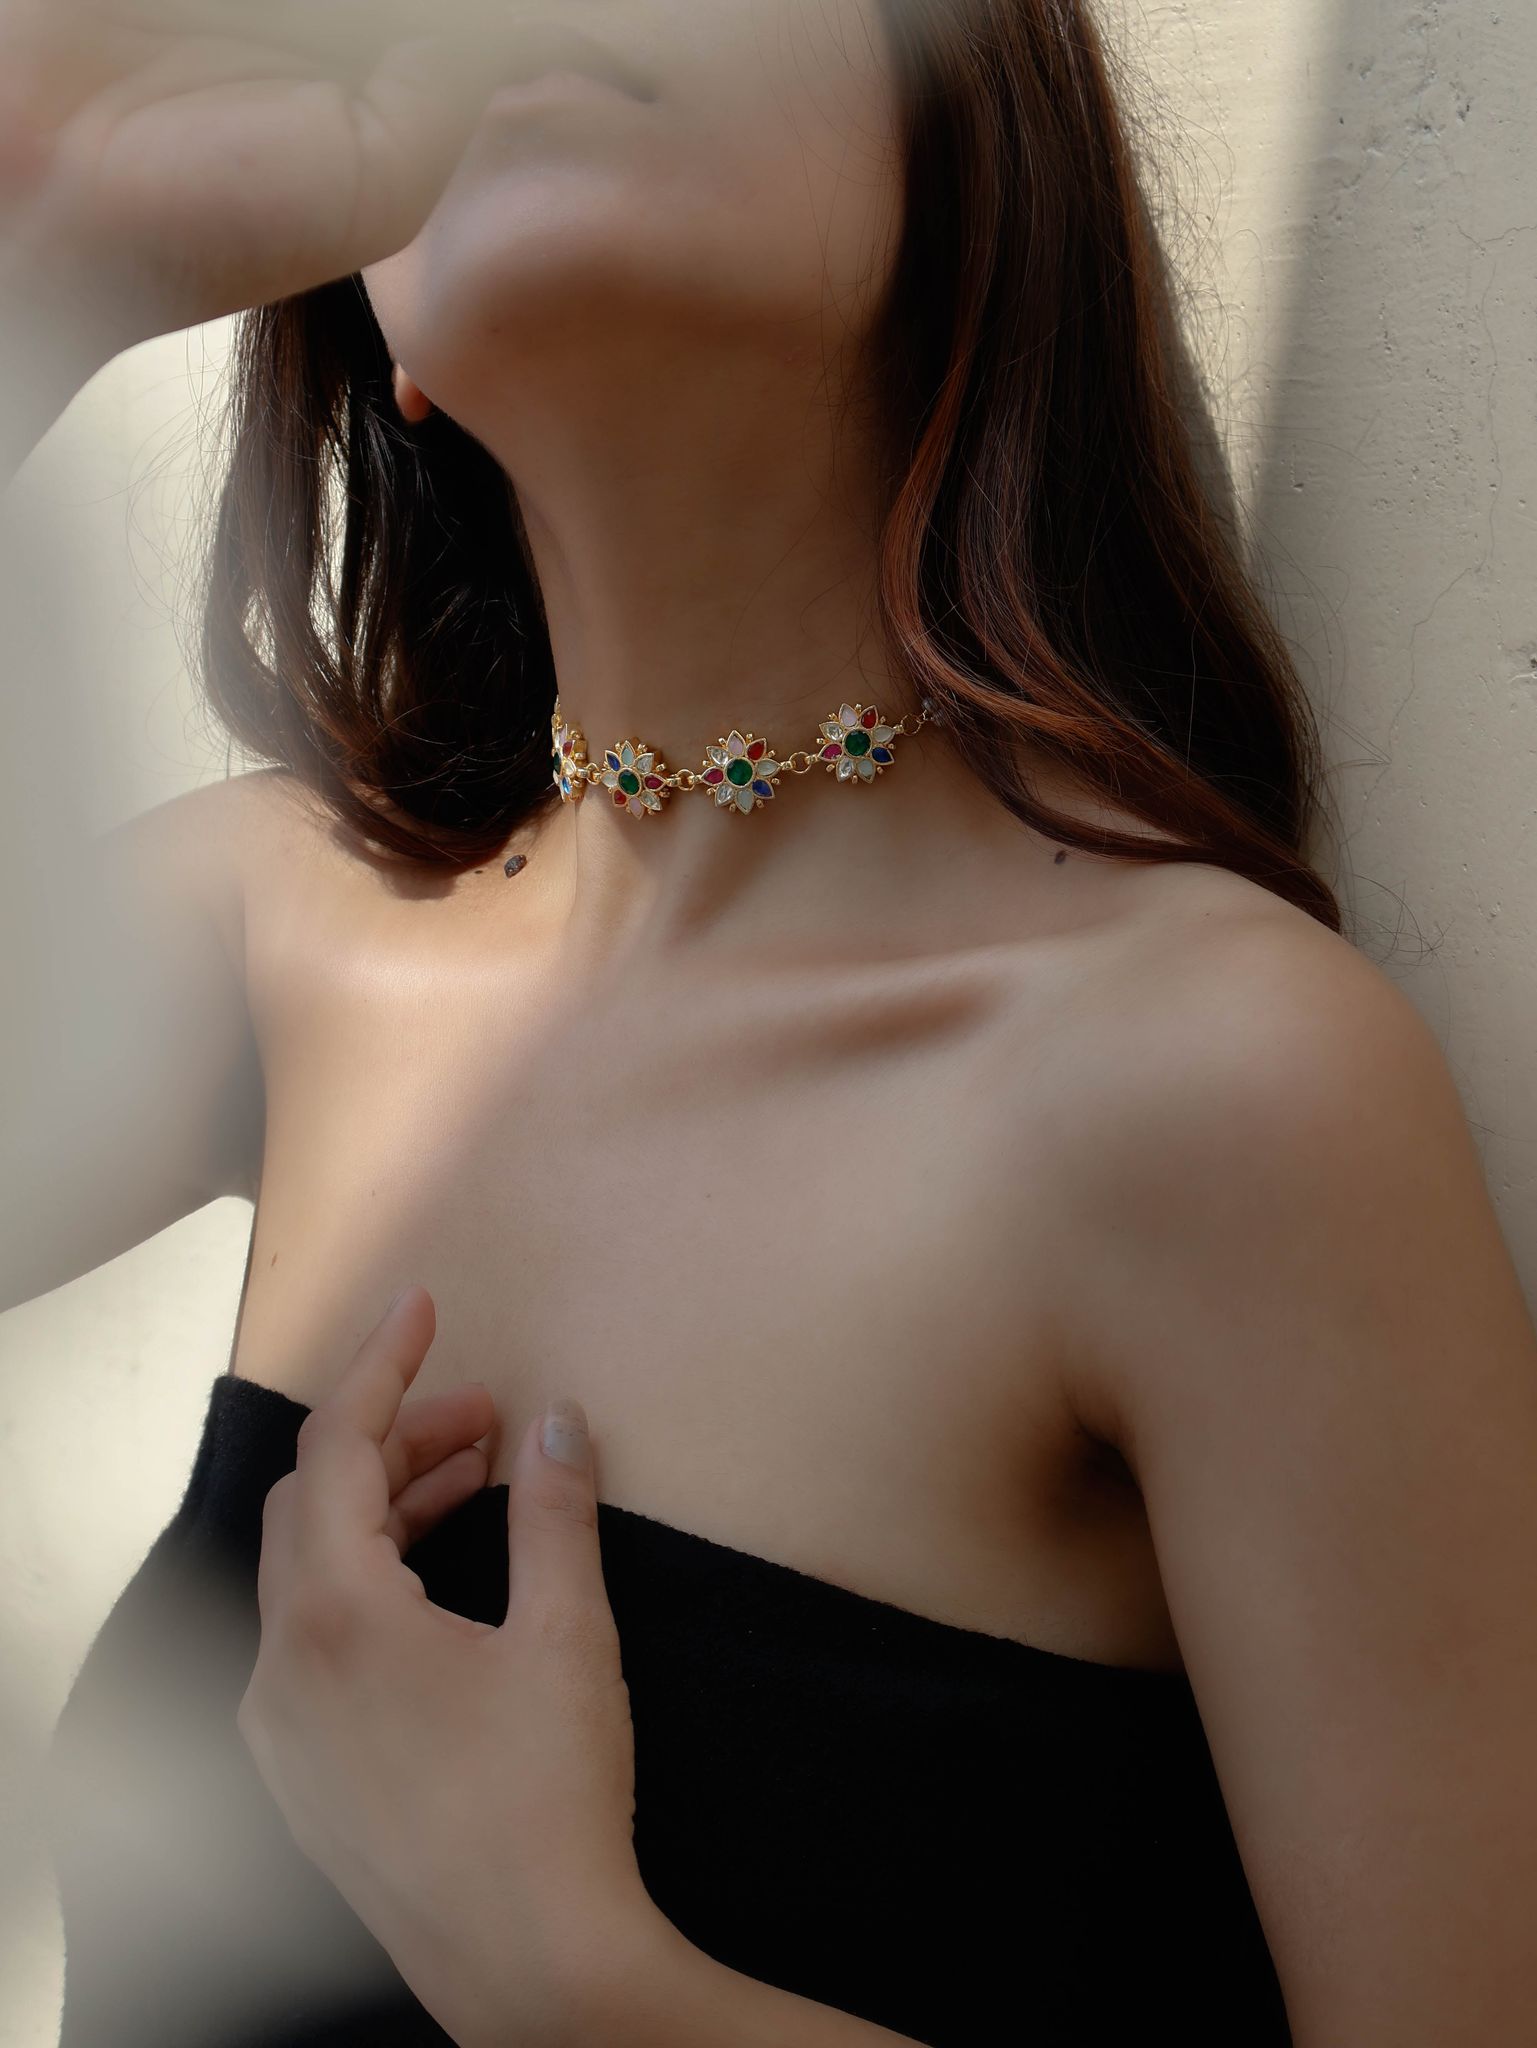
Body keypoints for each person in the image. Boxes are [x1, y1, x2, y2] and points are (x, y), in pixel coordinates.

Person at [4, 3, 1537, 2044]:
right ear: (379, 334)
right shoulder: (271, 942)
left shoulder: (1220, 1087)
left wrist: (574, 1978)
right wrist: (35, 246)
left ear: (967, 139)